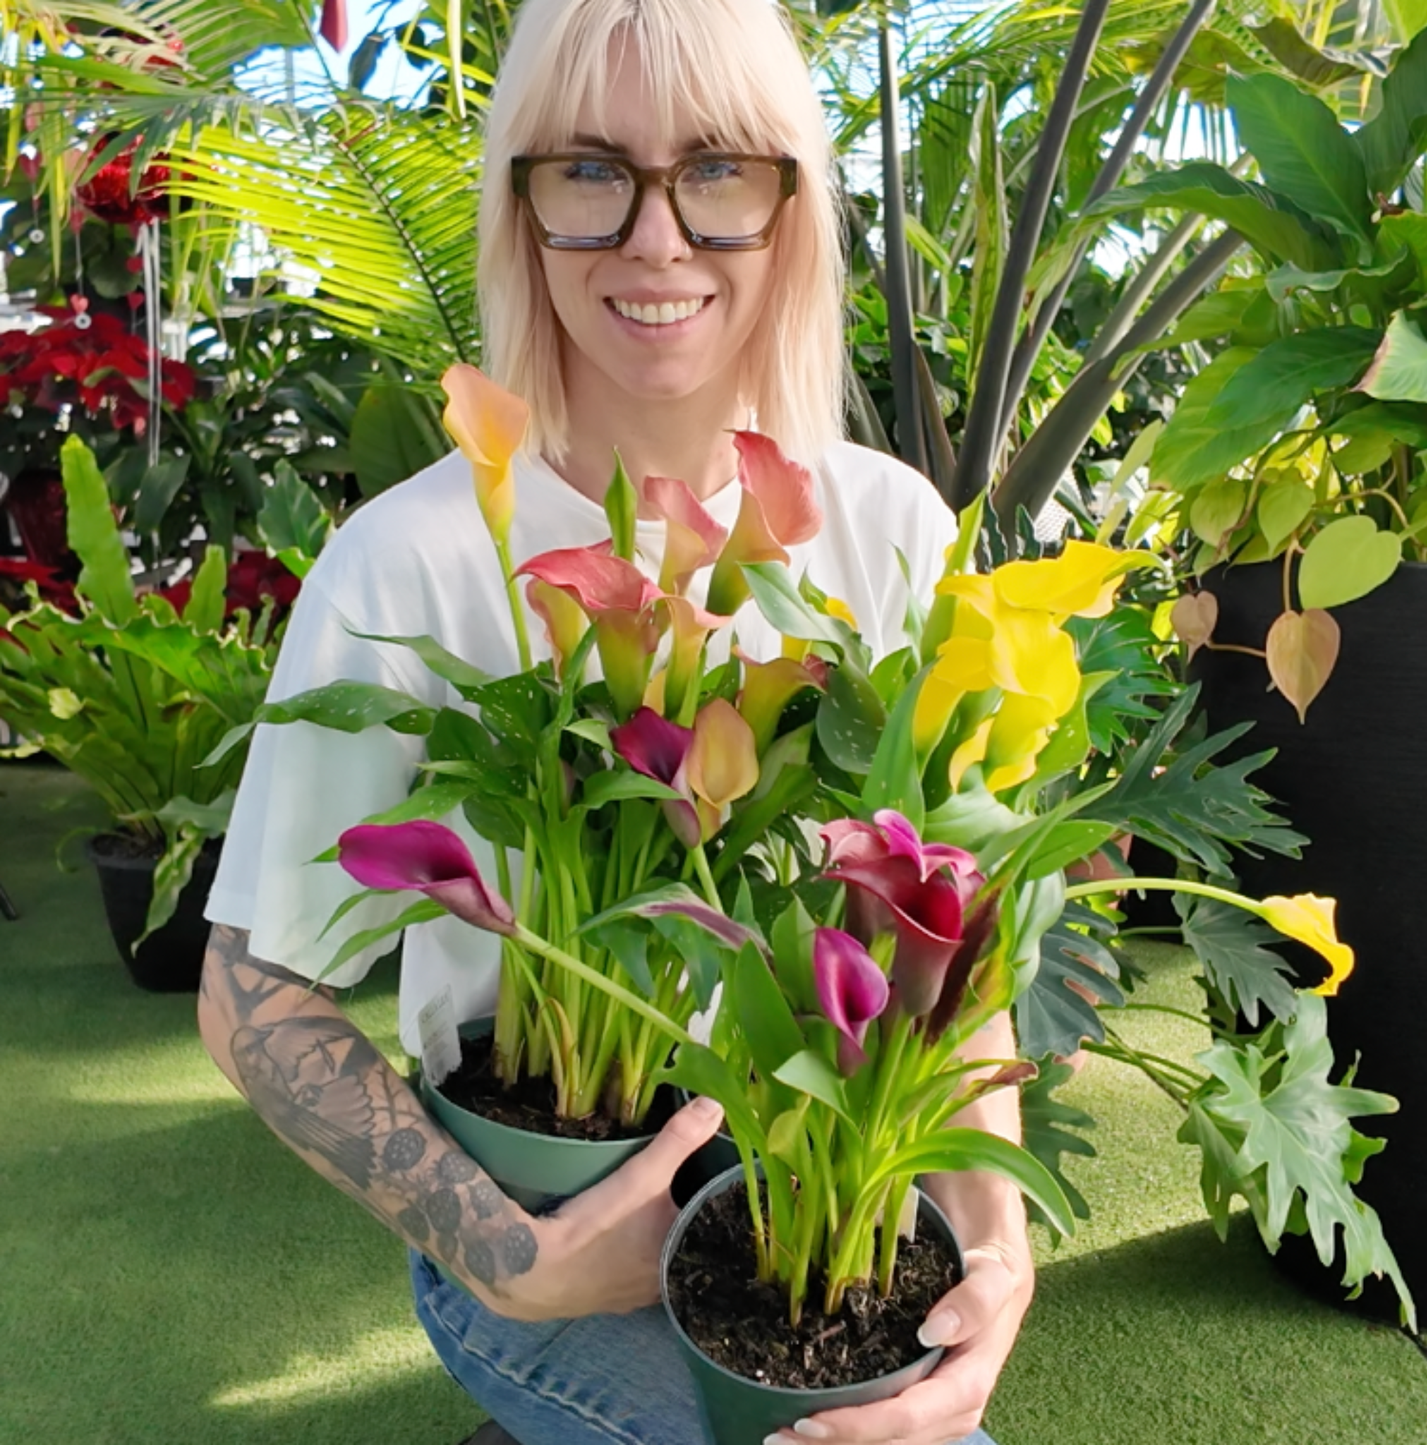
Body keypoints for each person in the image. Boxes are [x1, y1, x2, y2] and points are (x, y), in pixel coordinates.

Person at [197, 2, 1034, 1442]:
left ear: (791, 207)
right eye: (590, 173)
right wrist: (510, 1260)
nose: (657, 240)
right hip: (544, 1233)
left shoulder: (889, 527)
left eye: (717, 171)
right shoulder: (412, 560)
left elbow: (946, 964)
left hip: (825, 1236)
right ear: (523, 208)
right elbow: (251, 995)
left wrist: (998, 1256)